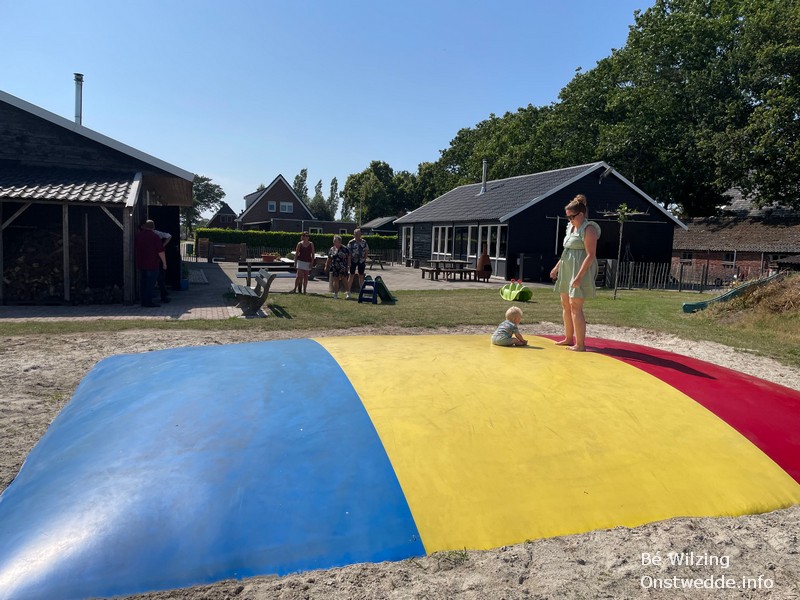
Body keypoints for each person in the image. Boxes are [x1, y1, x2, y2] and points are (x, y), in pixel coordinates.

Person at [550, 194, 601, 352]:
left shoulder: (589, 229)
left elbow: (590, 255)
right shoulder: (570, 227)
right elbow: (567, 251)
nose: (570, 219)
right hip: (567, 268)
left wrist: (578, 277)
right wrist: (557, 267)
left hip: (580, 269)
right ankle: (568, 338)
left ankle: (580, 344)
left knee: (575, 306)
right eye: (568, 217)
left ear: (582, 214)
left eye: (572, 216)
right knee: (565, 304)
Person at [134, 220, 167, 308]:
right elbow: (160, 251)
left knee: (143, 283)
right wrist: (164, 263)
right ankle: (148, 302)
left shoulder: (138, 236)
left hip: (141, 263)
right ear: (153, 227)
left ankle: (143, 301)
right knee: (150, 284)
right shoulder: (155, 237)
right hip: (152, 263)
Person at [346, 228, 369, 299]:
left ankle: (362, 291)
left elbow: (366, 251)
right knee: (351, 275)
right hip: (353, 260)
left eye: (359, 234)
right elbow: (348, 253)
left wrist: (364, 259)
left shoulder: (364, 242)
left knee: (361, 276)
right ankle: (348, 291)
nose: (358, 236)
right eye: (356, 234)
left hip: (361, 260)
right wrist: (349, 262)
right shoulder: (351, 242)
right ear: (354, 234)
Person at [153, 228, 172, 303]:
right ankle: (164, 295)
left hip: (152, 258)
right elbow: (169, 236)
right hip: (157, 258)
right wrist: (163, 245)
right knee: (160, 277)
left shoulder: (154, 234)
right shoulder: (156, 234)